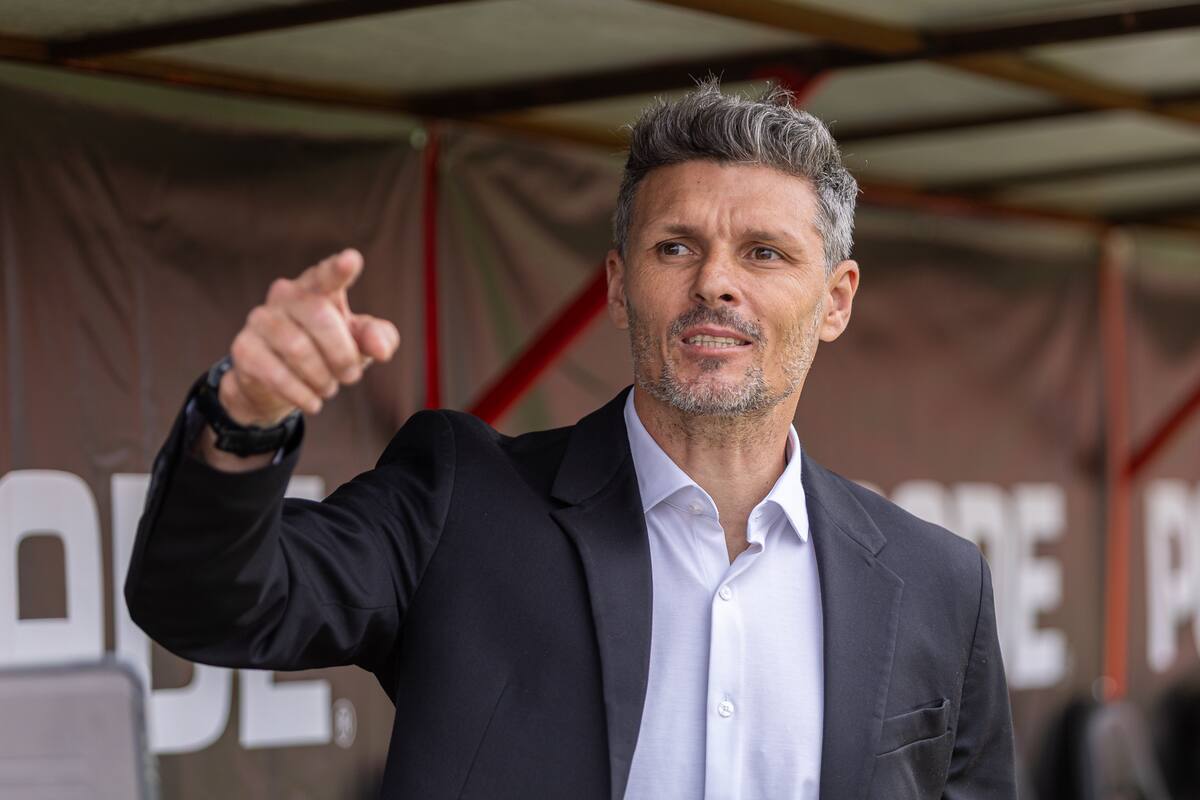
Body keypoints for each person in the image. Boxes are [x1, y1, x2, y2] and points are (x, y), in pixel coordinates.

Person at [127, 81, 1015, 799]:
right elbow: (207, 604)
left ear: (837, 299)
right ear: (619, 286)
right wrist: (244, 419)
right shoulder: (458, 501)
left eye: (764, 254)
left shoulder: (938, 581)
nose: (715, 283)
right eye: (675, 247)